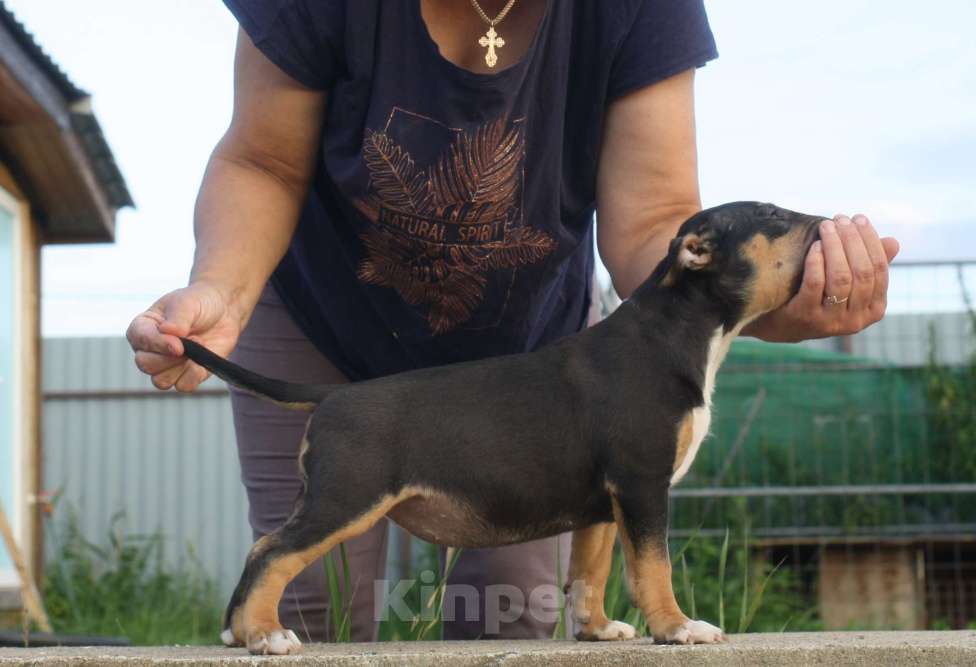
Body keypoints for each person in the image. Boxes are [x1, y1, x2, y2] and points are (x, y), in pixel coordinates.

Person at [126, 0, 899, 642]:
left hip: (542, 354)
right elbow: (264, 161)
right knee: (314, 611)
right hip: (320, 317)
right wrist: (221, 291)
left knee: (514, 624)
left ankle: (591, 609)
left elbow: (656, 223)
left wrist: (770, 304)